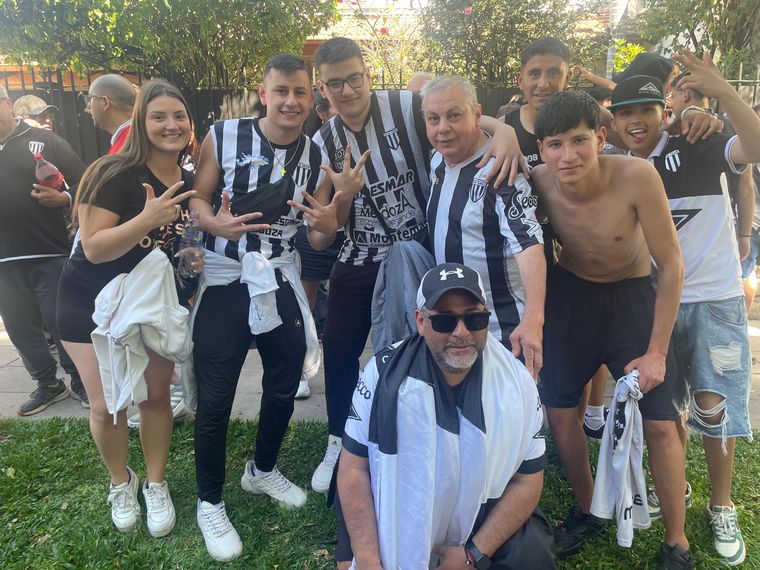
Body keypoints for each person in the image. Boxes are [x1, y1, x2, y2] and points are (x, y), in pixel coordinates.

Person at [308, 36, 526, 495]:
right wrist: (336, 210)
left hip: (418, 250)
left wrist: (503, 131)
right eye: (334, 84)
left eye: (354, 78)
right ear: (322, 89)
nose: (347, 90)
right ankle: (339, 438)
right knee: (341, 346)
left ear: (368, 75)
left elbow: (456, 112)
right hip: (360, 254)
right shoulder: (323, 141)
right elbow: (321, 232)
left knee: (423, 343)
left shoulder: (404, 106)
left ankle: (427, 427)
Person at [188, 53, 361, 562]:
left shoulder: (317, 152)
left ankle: (261, 469)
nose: (291, 101)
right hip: (225, 277)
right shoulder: (223, 135)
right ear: (263, 93)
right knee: (216, 397)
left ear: (312, 97)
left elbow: (319, 234)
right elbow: (197, 199)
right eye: (281, 90)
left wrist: (334, 216)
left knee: (284, 383)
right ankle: (209, 501)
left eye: (300, 92)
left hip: (280, 274)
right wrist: (213, 223)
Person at [531, 90, 691, 569]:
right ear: (541, 149)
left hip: (632, 299)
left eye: (579, 140)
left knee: (660, 423)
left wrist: (657, 352)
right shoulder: (537, 180)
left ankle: (677, 540)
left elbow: (671, 265)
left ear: (601, 138)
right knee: (560, 411)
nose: (568, 155)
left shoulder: (637, 176)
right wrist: (498, 131)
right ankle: (588, 509)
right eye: (555, 144)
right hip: (572, 297)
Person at [612, 50, 760, 565]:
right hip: (655, 305)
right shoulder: (618, 166)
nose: (636, 121)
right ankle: (677, 487)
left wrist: (724, 94)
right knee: (666, 406)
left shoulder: (701, 141)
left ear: (664, 111)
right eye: (625, 112)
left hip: (715, 299)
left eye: (646, 110)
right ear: (613, 121)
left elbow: (755, 147)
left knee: (714, 408)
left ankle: (722, 504)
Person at [337, 262, 556, 569]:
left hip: (483, 507)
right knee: (353, 558)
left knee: (533, 559)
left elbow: (527, 480)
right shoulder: (381, 374)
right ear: (420, 321)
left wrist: (473, 554)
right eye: (444, 321)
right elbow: (354, 468)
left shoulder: (517, 384)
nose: (461, 333)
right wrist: (369, 558)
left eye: (474, 319)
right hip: (400, 494)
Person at [55, 79, 200, 537]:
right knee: (107, 406)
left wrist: (190, 258)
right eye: (158, 116)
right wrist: (146, 218)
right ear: (140, 122)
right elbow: (94, 248)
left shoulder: (191, 181)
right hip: (88, 302)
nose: (171, 125)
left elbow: (181, 240)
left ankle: (156, 483)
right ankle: (121, 482)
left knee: (154, 397)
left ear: (190, 124)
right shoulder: (113, 173)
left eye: (179, 116)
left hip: (148, 305)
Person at [421, 76, 545, 377]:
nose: (442, 128)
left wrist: (533, 321)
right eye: (433, 119)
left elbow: (529, 245)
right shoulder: (437, 160)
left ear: (476, 114)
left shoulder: (501, 170)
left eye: (454, 115)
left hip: (501, 335)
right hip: (452, 331)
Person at [0, 85, 88, 415]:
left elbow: (85, 181)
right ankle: (48, 384)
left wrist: (65, 198)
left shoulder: (45, 141)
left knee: (61, 321)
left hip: (49, 251)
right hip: (3, 259)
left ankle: (81, 379)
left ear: (8, 103)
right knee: (19, 325)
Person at [86, 74, 137, 154]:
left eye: (90, 98)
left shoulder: (125, 148)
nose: (88, 106)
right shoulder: (139, 136)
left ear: (105, 102)